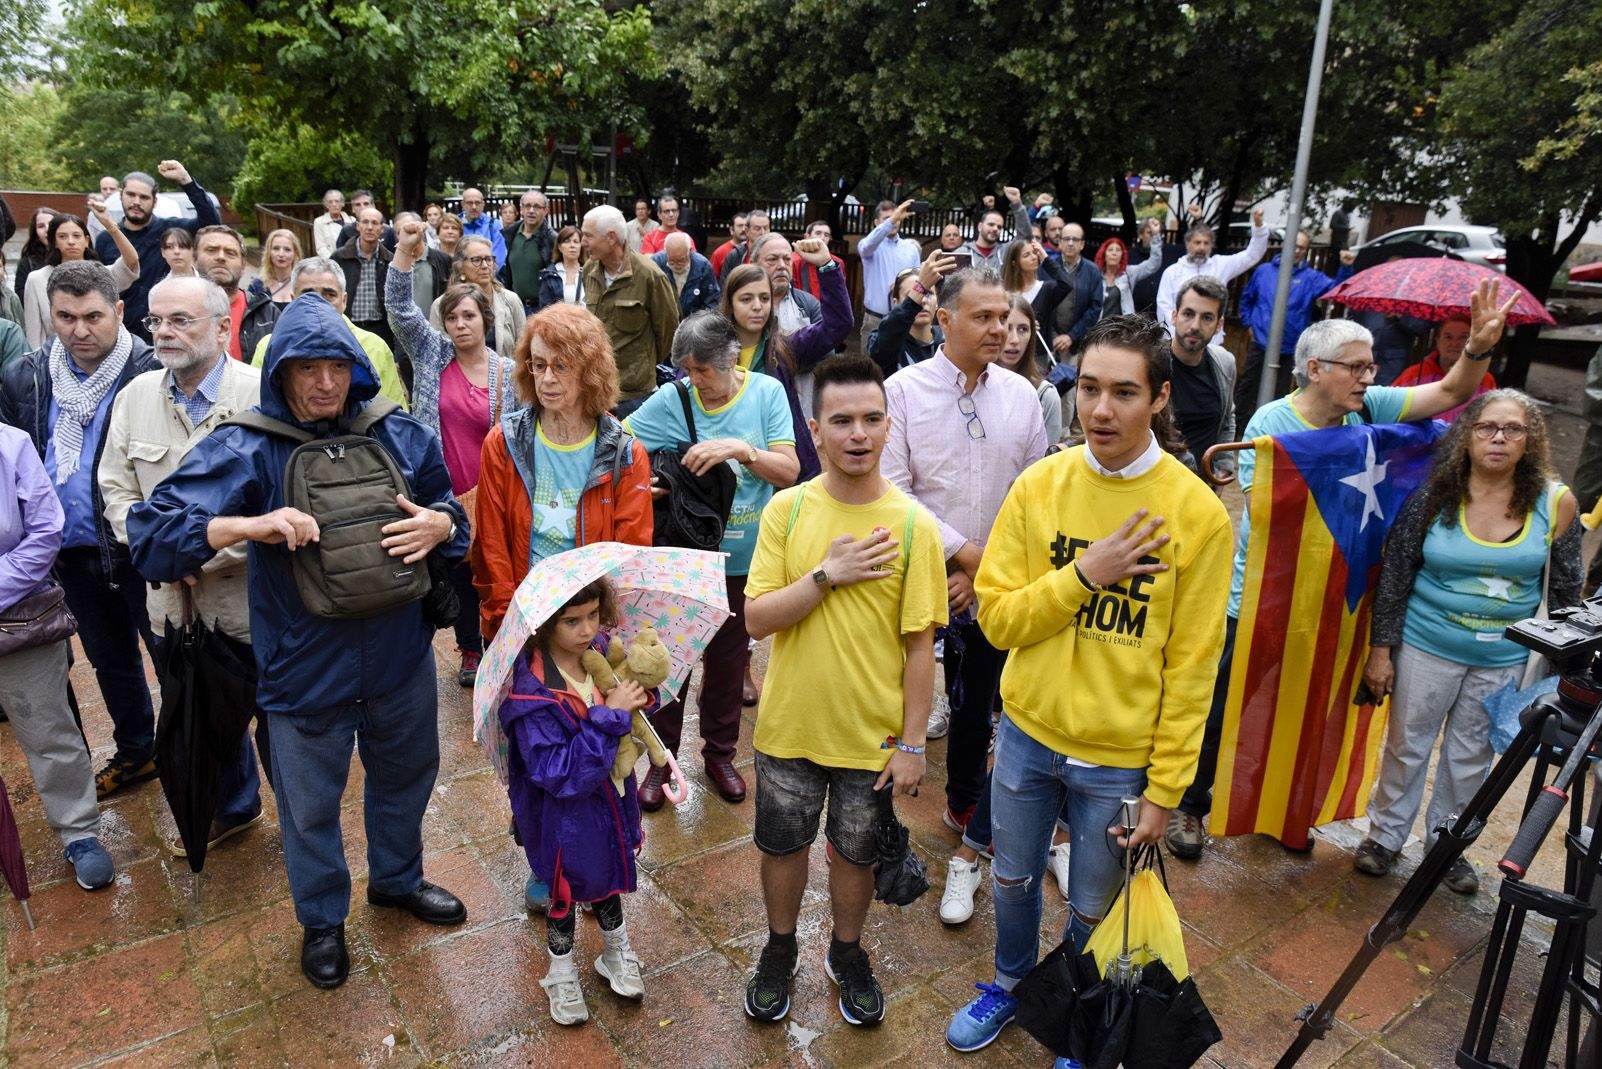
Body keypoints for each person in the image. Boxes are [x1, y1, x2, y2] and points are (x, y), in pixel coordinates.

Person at [126, 291, 471, 990]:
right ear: (279, 370)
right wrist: (243, 528)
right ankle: (322, 920)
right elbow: (150, 535)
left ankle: (397, 880)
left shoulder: (397, 432)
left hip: (402, 657)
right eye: (306, 367)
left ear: (355, 367)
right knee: (310, 809)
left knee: (406, 780)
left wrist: (442, 525)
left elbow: (454, 515)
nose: (323, 382)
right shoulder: (247, 444)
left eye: (336, 365)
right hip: (301, 668)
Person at [943, 315, 1233, 1053]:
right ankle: (1009, 985)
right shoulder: (1042, 484)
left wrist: (1166, 789)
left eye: (1125, 392)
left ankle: (1078, 1013)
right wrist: (1083, 574)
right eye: (1090, 389)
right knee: (1010, 879)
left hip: (1119, 757)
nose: (1101, 410)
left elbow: (1194, 665)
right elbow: (999, 620)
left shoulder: (1196, 512)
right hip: (1029, 737)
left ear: (1161, 397)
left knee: (1094, 905)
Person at [1164, 281, 1523, 861]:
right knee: (1225, 707)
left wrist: (1477, 349)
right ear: (1314, 368)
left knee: (1308, 711)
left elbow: (1452, 390)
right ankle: (1188, 807)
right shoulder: (1271, 424)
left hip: (1335, 601)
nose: (1367, 376)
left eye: (1371, 366)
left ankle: (1284, 810)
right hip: (1260, 600)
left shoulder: (1372, 408)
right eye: (1355, 367)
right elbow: (1276, 512)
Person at [741, 354, 947, 1028]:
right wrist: (829, 573)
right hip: (791, 723)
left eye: (871, 418)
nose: (857, 433)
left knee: (857, 852)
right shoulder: (787, 509)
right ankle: (779, 948)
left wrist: (913, 743)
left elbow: (921, 646)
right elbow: (757, 617)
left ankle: (846, 950)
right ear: (816, 429)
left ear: (889, 426)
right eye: (842, 420)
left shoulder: (914, 525)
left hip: (873, 737)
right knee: (782, 845)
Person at [471, 300, 653, 915]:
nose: (548, 380)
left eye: (563, 368)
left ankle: (600, 845)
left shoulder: (622, 451)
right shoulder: (506, 443)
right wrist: (505, 628)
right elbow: (491, 542)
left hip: (586, 626)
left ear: (591, 374)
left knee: (594, 740)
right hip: (525, 623)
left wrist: (596, 630)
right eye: (538, 365)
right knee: (534, 755)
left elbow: (631, 552)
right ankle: (542, 855)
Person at [1360, 390, 1578, 896]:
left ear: (1531, 440)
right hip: (1425, 646)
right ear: (1467, 435)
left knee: (1471, 757)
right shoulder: (1435, 493)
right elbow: (1395, 574)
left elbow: (1567, 590)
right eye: (1487, 427)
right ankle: (1384, 839)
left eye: (1513, 429)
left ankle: (1447, 847)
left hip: (1504, 658)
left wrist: (1561, 671)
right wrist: (1381, 649)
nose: (1499, 438)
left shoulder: (1555, 502)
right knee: (1406, 747)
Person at [882, 268, 1048, 916]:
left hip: (998, 576)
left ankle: (964, 801)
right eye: (984, 317)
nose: (1001, 330)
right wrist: (958, 553)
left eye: (1005, 317)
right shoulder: (903, 390)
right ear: (945, 319)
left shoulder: (1022, 396)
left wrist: (984, 568)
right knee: (901, 689)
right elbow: (896, 491)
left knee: (982, 695)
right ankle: (876, 813)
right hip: (921, 569)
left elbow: (1036, 491)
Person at [100, 275, 267, 856]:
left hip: (252, 598)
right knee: (200, 707)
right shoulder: (135, 397)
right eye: (156, 321)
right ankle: (231, 807)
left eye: (181, 321)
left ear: (224, 327)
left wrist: (197, 547)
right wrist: (159, 549)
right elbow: (115, 491)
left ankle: (300, 817)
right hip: (171, 600)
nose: (164, 333)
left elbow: (283, 503)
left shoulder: (260, 395)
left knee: (271, 712)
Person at [624, 312, 800, 807]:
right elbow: (619, 443)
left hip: (746, 559)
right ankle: (661, 763)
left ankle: (720, 754)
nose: (695, 381)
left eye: (704, 370)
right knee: (670, 664)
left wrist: (743, 451)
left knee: (728, 664)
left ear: (732, 359)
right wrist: (651, 483)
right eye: (688, 370)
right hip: (684, 558)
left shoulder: (765, 393)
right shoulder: (673, 398)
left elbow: (789, 470)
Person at [0, 261, 161, 797]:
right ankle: (139, 750)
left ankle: (192, 762)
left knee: (172, 660)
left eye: (93, 316)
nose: (79, 330)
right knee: (110, 660)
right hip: (68, 552)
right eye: (65, 317)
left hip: (138, 546)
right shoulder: (27, 374)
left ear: (118, 311)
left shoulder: (149, 370)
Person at [499, 578, 654, 1023]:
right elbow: (558, 772)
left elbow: (633, 706)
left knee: (608, 880)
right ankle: (560, 970)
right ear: (545, 625)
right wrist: (611, 717)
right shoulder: (533, 694)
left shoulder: (603, 657)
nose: (586, 630)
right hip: (563, 815)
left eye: (592, 615)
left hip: (611, 799)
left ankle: (615, 951)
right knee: (564, 893)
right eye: (572, 621)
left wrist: (640, 692)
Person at [388, 219, 516, 685]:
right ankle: (468, 649)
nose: (461, 325)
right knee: (458, 570)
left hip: (492, 490)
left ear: (486, 321)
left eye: (470, 317)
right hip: (443, 487)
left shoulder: (508, 372)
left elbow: (519, 436)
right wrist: (405, 252)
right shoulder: (431, 355)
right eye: (453, 318)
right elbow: (399, 309)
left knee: (494, 567)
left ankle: (501, 639)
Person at [0, 422, 114, 891]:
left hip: (18, 617)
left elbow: (47, 531)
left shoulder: (11, 444)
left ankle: (79, 831)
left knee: (48, 729)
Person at [720, 243, 850, 481]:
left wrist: (826, 266)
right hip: (729, 471)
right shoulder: (712, 352)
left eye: (764, 298)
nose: (757, 306)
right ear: (730, 303)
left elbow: (838, 325)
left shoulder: (785, 348)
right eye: (747, 299)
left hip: (783, 469)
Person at [247, 257, 410, 409]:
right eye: (308, 295)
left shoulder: (375, 347)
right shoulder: (270, 346)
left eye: (329, 295)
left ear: (344, 301)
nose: (319, 304)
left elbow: (394, 415)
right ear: (293, 299)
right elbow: (260, 409)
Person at [1235, 231, 1355, 426]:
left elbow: (1337, 290)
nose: (1297, 250)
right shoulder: (1264, 271)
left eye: (1302, 247)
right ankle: (1237, 426)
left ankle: (1272, 428)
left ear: (1306, 251)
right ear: (1286, 244)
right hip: (1261, 340)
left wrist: (1346, 267)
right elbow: (1247, 299)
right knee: (1248, 385)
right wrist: (1248, 323)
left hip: (1289, 346)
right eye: (1295, 245)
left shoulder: (1310, 278)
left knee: (1281, 391)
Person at [95, 161, 222, 339]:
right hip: (118, 334)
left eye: (144, 197)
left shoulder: (170, 230)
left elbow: (211, 224)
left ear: (154, 202)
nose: (136, 202)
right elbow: (99, 288)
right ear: (121, 195)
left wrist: (186, 181)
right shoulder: (106, 239)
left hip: (164, 332)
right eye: (131, 195)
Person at [579, 205, 680, 415]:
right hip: (595, 388)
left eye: (588, 236)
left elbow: (668, 331)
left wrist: (642, 364)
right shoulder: (589, 269)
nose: (583, 242)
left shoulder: (649, 276)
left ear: (611, 237)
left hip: (634, 395)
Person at [24, 204, 140, 348]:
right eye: (62, 236)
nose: (71, 241)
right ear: (54, 242)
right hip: (55, 360)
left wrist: (110, 225)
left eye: (76, 236)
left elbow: (131, 261)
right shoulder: (36, 279)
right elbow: (34, 335)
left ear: (86, 240)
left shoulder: (102, 275)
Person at [1155, 209, 1270, 345]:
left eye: (1206, 243)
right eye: (1197, 243)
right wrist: (1177, 340)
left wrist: (1258, 227)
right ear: (1188, 244)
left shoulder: (1220, 265)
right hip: (1177, 343)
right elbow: (1164, 309)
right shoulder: (1172, 272)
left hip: (1211, 344)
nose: (1202, 247)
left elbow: (1252, 255)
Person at [1165, 276, 1237, 469]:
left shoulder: (1224, 363)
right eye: (1188, 314)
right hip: (1159, 486)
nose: (1195, 326)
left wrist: (1224, 466)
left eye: (1206, 317)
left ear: (1219, 325)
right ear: (1174, 316)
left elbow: (1227, 419)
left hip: (1205, 487)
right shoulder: (1151, 364)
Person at [430, 236, 526, 360]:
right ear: (460, 266)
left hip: (505, 377)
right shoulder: (442, 305)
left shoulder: (510, 300)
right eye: (476, 260)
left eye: (488, 259)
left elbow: (524, 348)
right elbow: (437, 353)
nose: (485, 265)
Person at [196, 226, 279, 361]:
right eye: (211, 250)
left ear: (243, 265)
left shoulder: (268, 314)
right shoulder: (174, 311)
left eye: (230, 253)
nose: (221, 257)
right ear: (194, 259)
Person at [866, 251, 953, 377]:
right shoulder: (882, 339)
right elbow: (880, 355)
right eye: (911, 295)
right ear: (896, 303)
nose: (922, 300)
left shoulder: (949, 339)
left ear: (938, 302)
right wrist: (921, 287)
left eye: (928, 294)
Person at [1392, 317, 1495, 422]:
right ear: (1437, 341)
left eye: (1463, 337)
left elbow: (1491, 417)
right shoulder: (1413, 375)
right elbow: (1392, 409)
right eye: (1448, 337)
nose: (1455, 343)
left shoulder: (1484, 379)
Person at [858, 200, 924, 351]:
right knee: (869, 372)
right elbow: (868, 245)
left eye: (895, 218)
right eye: (886, 218)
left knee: (902, 371)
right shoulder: (868, 247)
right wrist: (893, 218)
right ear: (876, 222)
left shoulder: (911, 249)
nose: (892, 222)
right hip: (875, 320)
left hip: (905, 319)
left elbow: (918, 282)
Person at [996, 295, 1062, 444]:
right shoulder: (973, 386)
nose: (1014, 340)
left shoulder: (1045, 396)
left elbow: (1047, 461)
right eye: (1007, 327)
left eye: (1023, 329)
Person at [1001, 238, 1078, 366]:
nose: (1033, 257)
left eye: (1034, 253)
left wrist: (1045, 258)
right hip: (1008, 351)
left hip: (1038, 357)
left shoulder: (1047, 288)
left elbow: (1067, 284)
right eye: (1027, 255)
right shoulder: (1005, 292)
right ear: (1014, 262)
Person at [1041, 221, 1105, 360]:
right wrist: (1053, 335)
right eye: (1066, 239)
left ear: (1082, 244)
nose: (1070, 243)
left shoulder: (1092, 271)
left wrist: (1072, 336)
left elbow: (1095, 308)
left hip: (1078, 345)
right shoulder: (1048, 269)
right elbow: (1042, 304)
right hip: (1049, 342)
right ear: (1060, 242)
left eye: (1075, 239)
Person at [333, 206, 394, 347]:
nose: (370, 227)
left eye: (375, 223)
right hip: (347, 328)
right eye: (365, 222)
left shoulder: (390, 261)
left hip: (380, 330)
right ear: (358, 226)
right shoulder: (340, 258)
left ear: (382, 229)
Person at [1093, 219, 1165, 319]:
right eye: (1110, 250)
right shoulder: (1094, 274)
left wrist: (1156, 235)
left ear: (1122, 255)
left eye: (1118, 250)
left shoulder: (1128, 272)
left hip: (1123, 329)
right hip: (1099, 329)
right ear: (1104, 254)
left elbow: (1153, 263)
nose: (1114, 253)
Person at [502, 190, 556, 316]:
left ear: (545, 211)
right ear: (521, 209)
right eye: (527, 206)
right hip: (515, 306)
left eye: (537, 206)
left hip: (543, 309)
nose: (531, 210)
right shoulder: (511, 234)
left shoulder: (552, 239)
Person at [392, 211, 454, 315]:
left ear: (422, 230)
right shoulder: (392, 264)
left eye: (411, 231)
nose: (406, 236)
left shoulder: (443, 260)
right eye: (400, 232)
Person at [960, 186, 1032, 272]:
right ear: (979, 226)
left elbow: (1025, 237)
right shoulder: (963, 252)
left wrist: (1017, 204)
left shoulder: (1005, 252)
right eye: (991, 224)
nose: (995, 229)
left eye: (999, 227)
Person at [652, 232, 721, 317]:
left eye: (681, 260)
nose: (676, 264)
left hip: (694, 321)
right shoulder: (655, 263)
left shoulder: (703, 266)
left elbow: (712, 302)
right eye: (672, 261)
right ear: (665, 251)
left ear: (690, 251)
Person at [791, 221, 845, 300]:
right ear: (807, 236)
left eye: (826, 235)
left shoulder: (837, 262)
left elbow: (840, 292)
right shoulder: (794, 260)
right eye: (818, 233)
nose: (822, 238)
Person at [537, 226, 586, 311]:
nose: (572, 245)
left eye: (576, 242)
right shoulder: (550, 275)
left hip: (587, 322)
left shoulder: (589, 272)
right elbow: (545, 310)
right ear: (559, 247)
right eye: (567, 241)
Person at [250, 228, 303, 307]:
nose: (281, 254)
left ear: (295, 253)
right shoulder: (257, 286)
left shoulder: (303, 285)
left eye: (287, 249)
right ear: (269, 252)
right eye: (276, 248)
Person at [458, 188, 508, 270]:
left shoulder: (494, 225)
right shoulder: (455, 225)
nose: (474, 207)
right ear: (463, 204)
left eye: (477, 203)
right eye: (469, 203)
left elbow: (498, 258)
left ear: (483, 204)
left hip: (487, 276)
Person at [332, 191, 397, 251]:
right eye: (358, 205)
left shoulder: (387, 230)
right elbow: (340, 257)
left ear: (373, 206)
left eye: (366, 204)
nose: (362, 207)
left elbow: (393, 257)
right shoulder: (346, 230)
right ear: (353, 209)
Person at [14, 207, 56, 298]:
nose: (47, 229)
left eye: (51, 224)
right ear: (35, 232)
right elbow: (21, 295)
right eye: (41, 226)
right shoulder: (27, 263)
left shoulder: (76, 255)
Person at [719, 210, 770, 282]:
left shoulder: (776, 254)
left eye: (766, 228)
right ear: (746, 230)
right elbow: (724, 287)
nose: (763, 233)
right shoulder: (734, 256)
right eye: (757, 228)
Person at [710, 213, 748, 279]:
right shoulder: (720, 253)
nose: (743, 229)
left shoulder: (754, 250)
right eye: (740, 226)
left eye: (746, 226)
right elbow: (711, 279)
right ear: (731, 229)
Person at [312, 190, 348, 258]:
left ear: (342, 203)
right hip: (331, 261)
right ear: (326, 205)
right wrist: (333, 261)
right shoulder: (319, 222)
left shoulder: (351, 220)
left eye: (337, 201)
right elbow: (321, 247)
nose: (334, 204)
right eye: (330, 202)